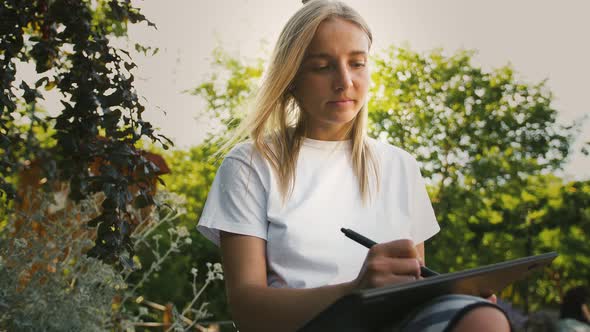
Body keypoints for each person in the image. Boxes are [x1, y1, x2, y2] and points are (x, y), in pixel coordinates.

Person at [197, 1, 512, 331]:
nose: (344, 81)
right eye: (322, 66)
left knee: (482, 318)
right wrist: (355, 291)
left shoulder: (400, 166)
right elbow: (248, 312)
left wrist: (456, 296)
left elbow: (413, 284)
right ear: (291, 77)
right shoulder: (250, 165)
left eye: (357, 63)